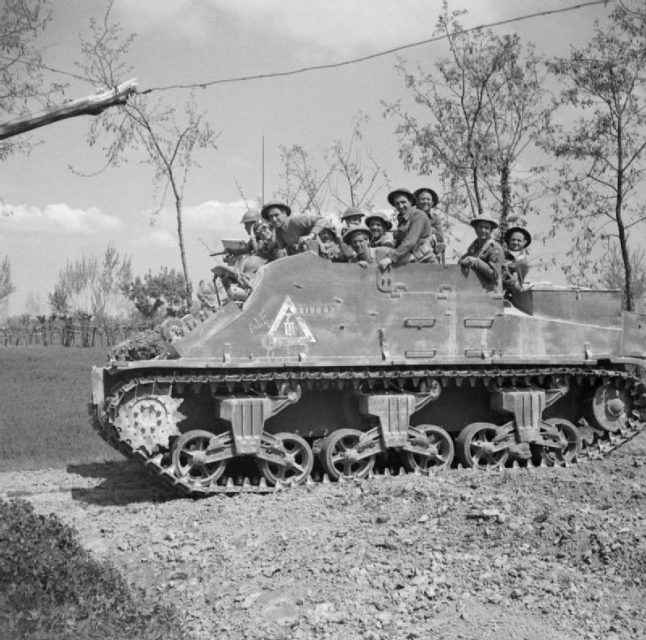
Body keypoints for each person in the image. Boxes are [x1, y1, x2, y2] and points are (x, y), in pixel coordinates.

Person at [378, 188, 436, 271]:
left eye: (403, 202)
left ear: (410, 202)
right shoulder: (402, 219)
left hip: (426, 263)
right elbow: (399, 243)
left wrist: (391, 258)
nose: (400, 206)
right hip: (411, 262)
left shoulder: (418, 215)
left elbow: (410, 241)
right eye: (397, 204)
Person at [261, 203, 327, 254]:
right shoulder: (278, 230)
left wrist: (311, 235)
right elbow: (284, 249)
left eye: (276, 215)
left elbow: (322, 220)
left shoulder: (296, 220)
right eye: (271, 216)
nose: (274, 219)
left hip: (320, 255)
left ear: (284, 213)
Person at [458, 217, 505, 287]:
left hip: (491, 292)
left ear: (491, 230)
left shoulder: (495, 248)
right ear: (476, 229)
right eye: (480, 227)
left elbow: (495, 275)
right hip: (474, 288)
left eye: (486, 228)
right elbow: (461, 261)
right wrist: (464, 261)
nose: (483, 230)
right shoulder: (475, 247)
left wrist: (476, 262)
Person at [414, 187, 445, 260]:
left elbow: (440, 237)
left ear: (432, 202)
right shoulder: (412, 216)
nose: (425, 201)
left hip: (430, 250)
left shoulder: (435, 218)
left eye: (428, 199)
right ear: (417, 201)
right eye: (422, 199)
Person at [502, 226, 531, 296]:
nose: (515, 242)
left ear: (524, 242)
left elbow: (518, 287)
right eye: (513, 239)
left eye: (519, 240)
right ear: (509, 240)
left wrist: (511, 281)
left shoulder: (523, 263)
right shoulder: (502, 255)